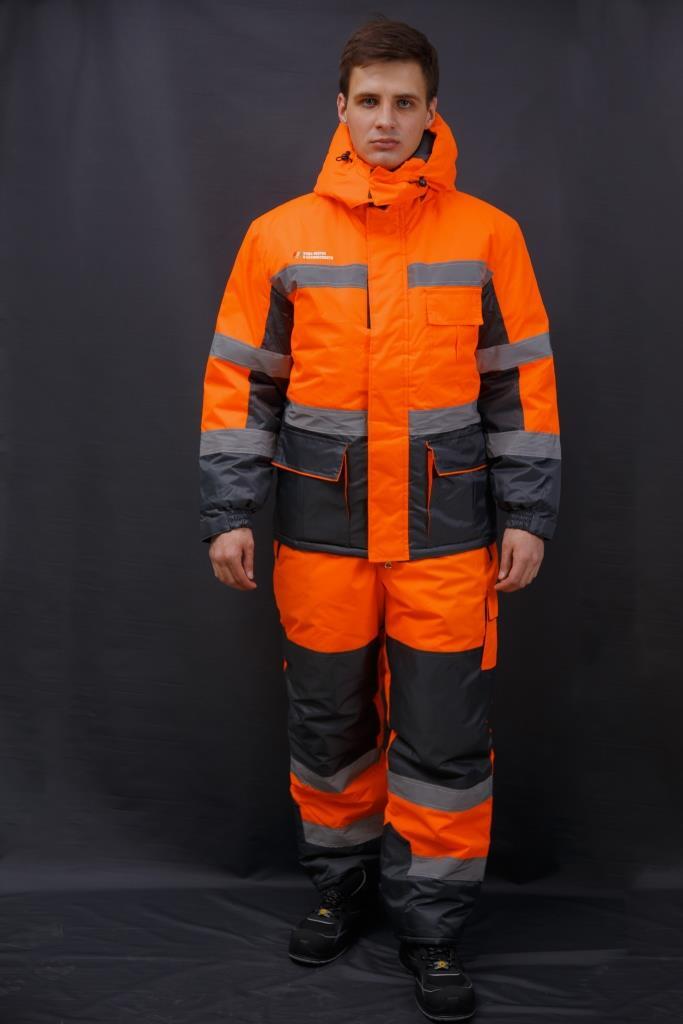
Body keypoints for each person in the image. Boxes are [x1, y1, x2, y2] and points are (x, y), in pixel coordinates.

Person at [198, 16, 560, 1022]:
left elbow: (520, 388)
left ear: (432, 111)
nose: (386, 119)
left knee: (443, 737)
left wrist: (527, 514)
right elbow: (240, 386)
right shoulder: (277, 236)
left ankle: (432, 925)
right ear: (341, 108)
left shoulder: (488, 236)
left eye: (405, 102)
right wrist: (229, 510)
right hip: (318, 531)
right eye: (369, 101)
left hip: (448, 533)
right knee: (328, 726)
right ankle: (340, 886)